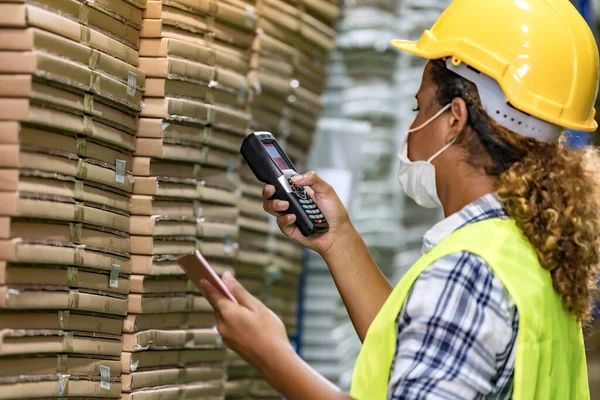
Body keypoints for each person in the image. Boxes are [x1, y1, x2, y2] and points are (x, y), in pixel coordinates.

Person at [199, 0, 600, 398]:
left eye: (419, 107)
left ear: (454, 120)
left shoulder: (466, 272)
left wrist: (273, 356)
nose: (410, 128)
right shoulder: (529, 249)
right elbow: (423, 349)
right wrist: (338, 239)